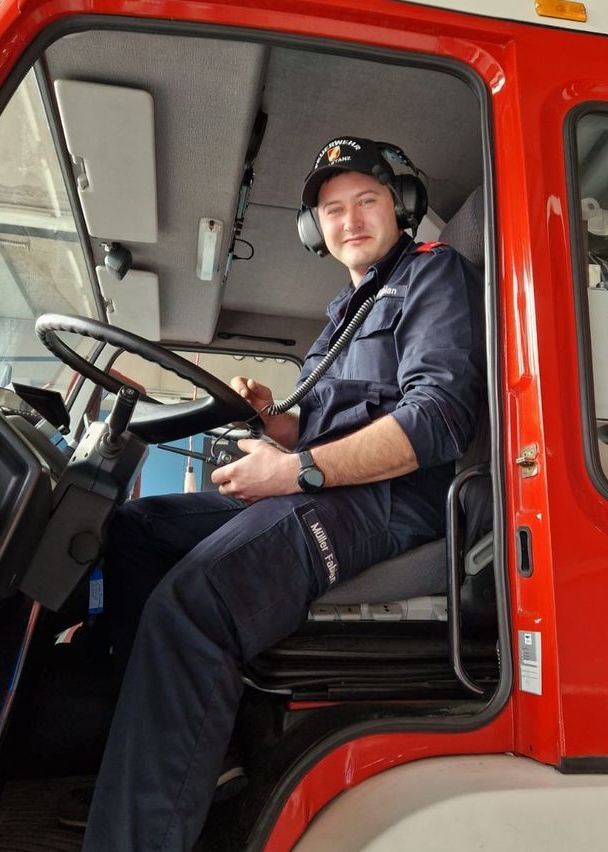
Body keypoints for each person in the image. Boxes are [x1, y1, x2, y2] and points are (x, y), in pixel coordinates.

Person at [81, 136, 487, 850]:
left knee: (195, 603)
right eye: (332, 209)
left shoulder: (433, 275)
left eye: (367, 201)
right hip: (326, 485)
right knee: (137, 531)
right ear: (315, 229)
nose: (350, 219)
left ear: (402, 208)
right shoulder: (343, 310)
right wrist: (277, 418)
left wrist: (294, 469)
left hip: (389, 501)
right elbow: (328, 418)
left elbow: (440, 416)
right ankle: (196, 760)